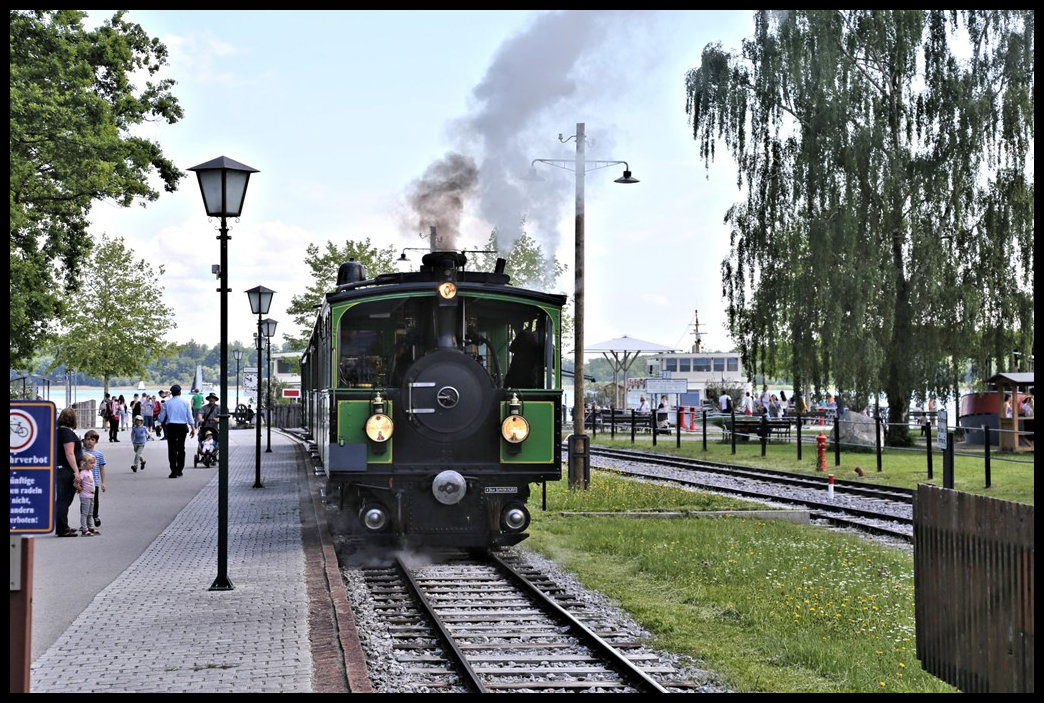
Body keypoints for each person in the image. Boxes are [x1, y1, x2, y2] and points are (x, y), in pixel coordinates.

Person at [157, 384, 196, 478]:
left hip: (171, 427)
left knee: (172, 449)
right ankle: (180, 469)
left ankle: (173, 471)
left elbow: (161, 417)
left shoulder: (167, 403)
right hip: (182, 427)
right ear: (180, 392)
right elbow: (190, 417)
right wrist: (193, 428)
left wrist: (158, 423)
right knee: (181, 448)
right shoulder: (186, 403)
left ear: (171, 393)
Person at [55, 407, 82, 537]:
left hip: (59, 468)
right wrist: (76, 471)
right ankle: (62, 528)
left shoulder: (58, 432)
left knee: (63, 499)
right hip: (65, 469)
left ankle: (63, 525)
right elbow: (69, 453)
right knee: (64, 499)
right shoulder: (67, 434)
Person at [81, 430, 106, 529]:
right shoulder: (81, 453)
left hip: (94, 482)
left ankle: (95, 516)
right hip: (84, 482)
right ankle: (84, 521)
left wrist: (103, 483)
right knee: (84, 502)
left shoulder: (99, 454)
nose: (90, 442)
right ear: (84, 440)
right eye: (88, 439)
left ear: (96, 442)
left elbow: (102, 469)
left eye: (92, 439)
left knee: (94, 501)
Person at [76, 454, 100, 536]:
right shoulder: (83, 473)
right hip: (85, 496)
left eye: (93, 463)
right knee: (85, 513)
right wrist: (78, 487)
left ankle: (91, 527)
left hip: (91, 495)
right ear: (84, 464)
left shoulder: (90, 472)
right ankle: (84, 529)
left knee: (90, 513)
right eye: (91, 463)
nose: (93, 465)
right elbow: (76, 482)